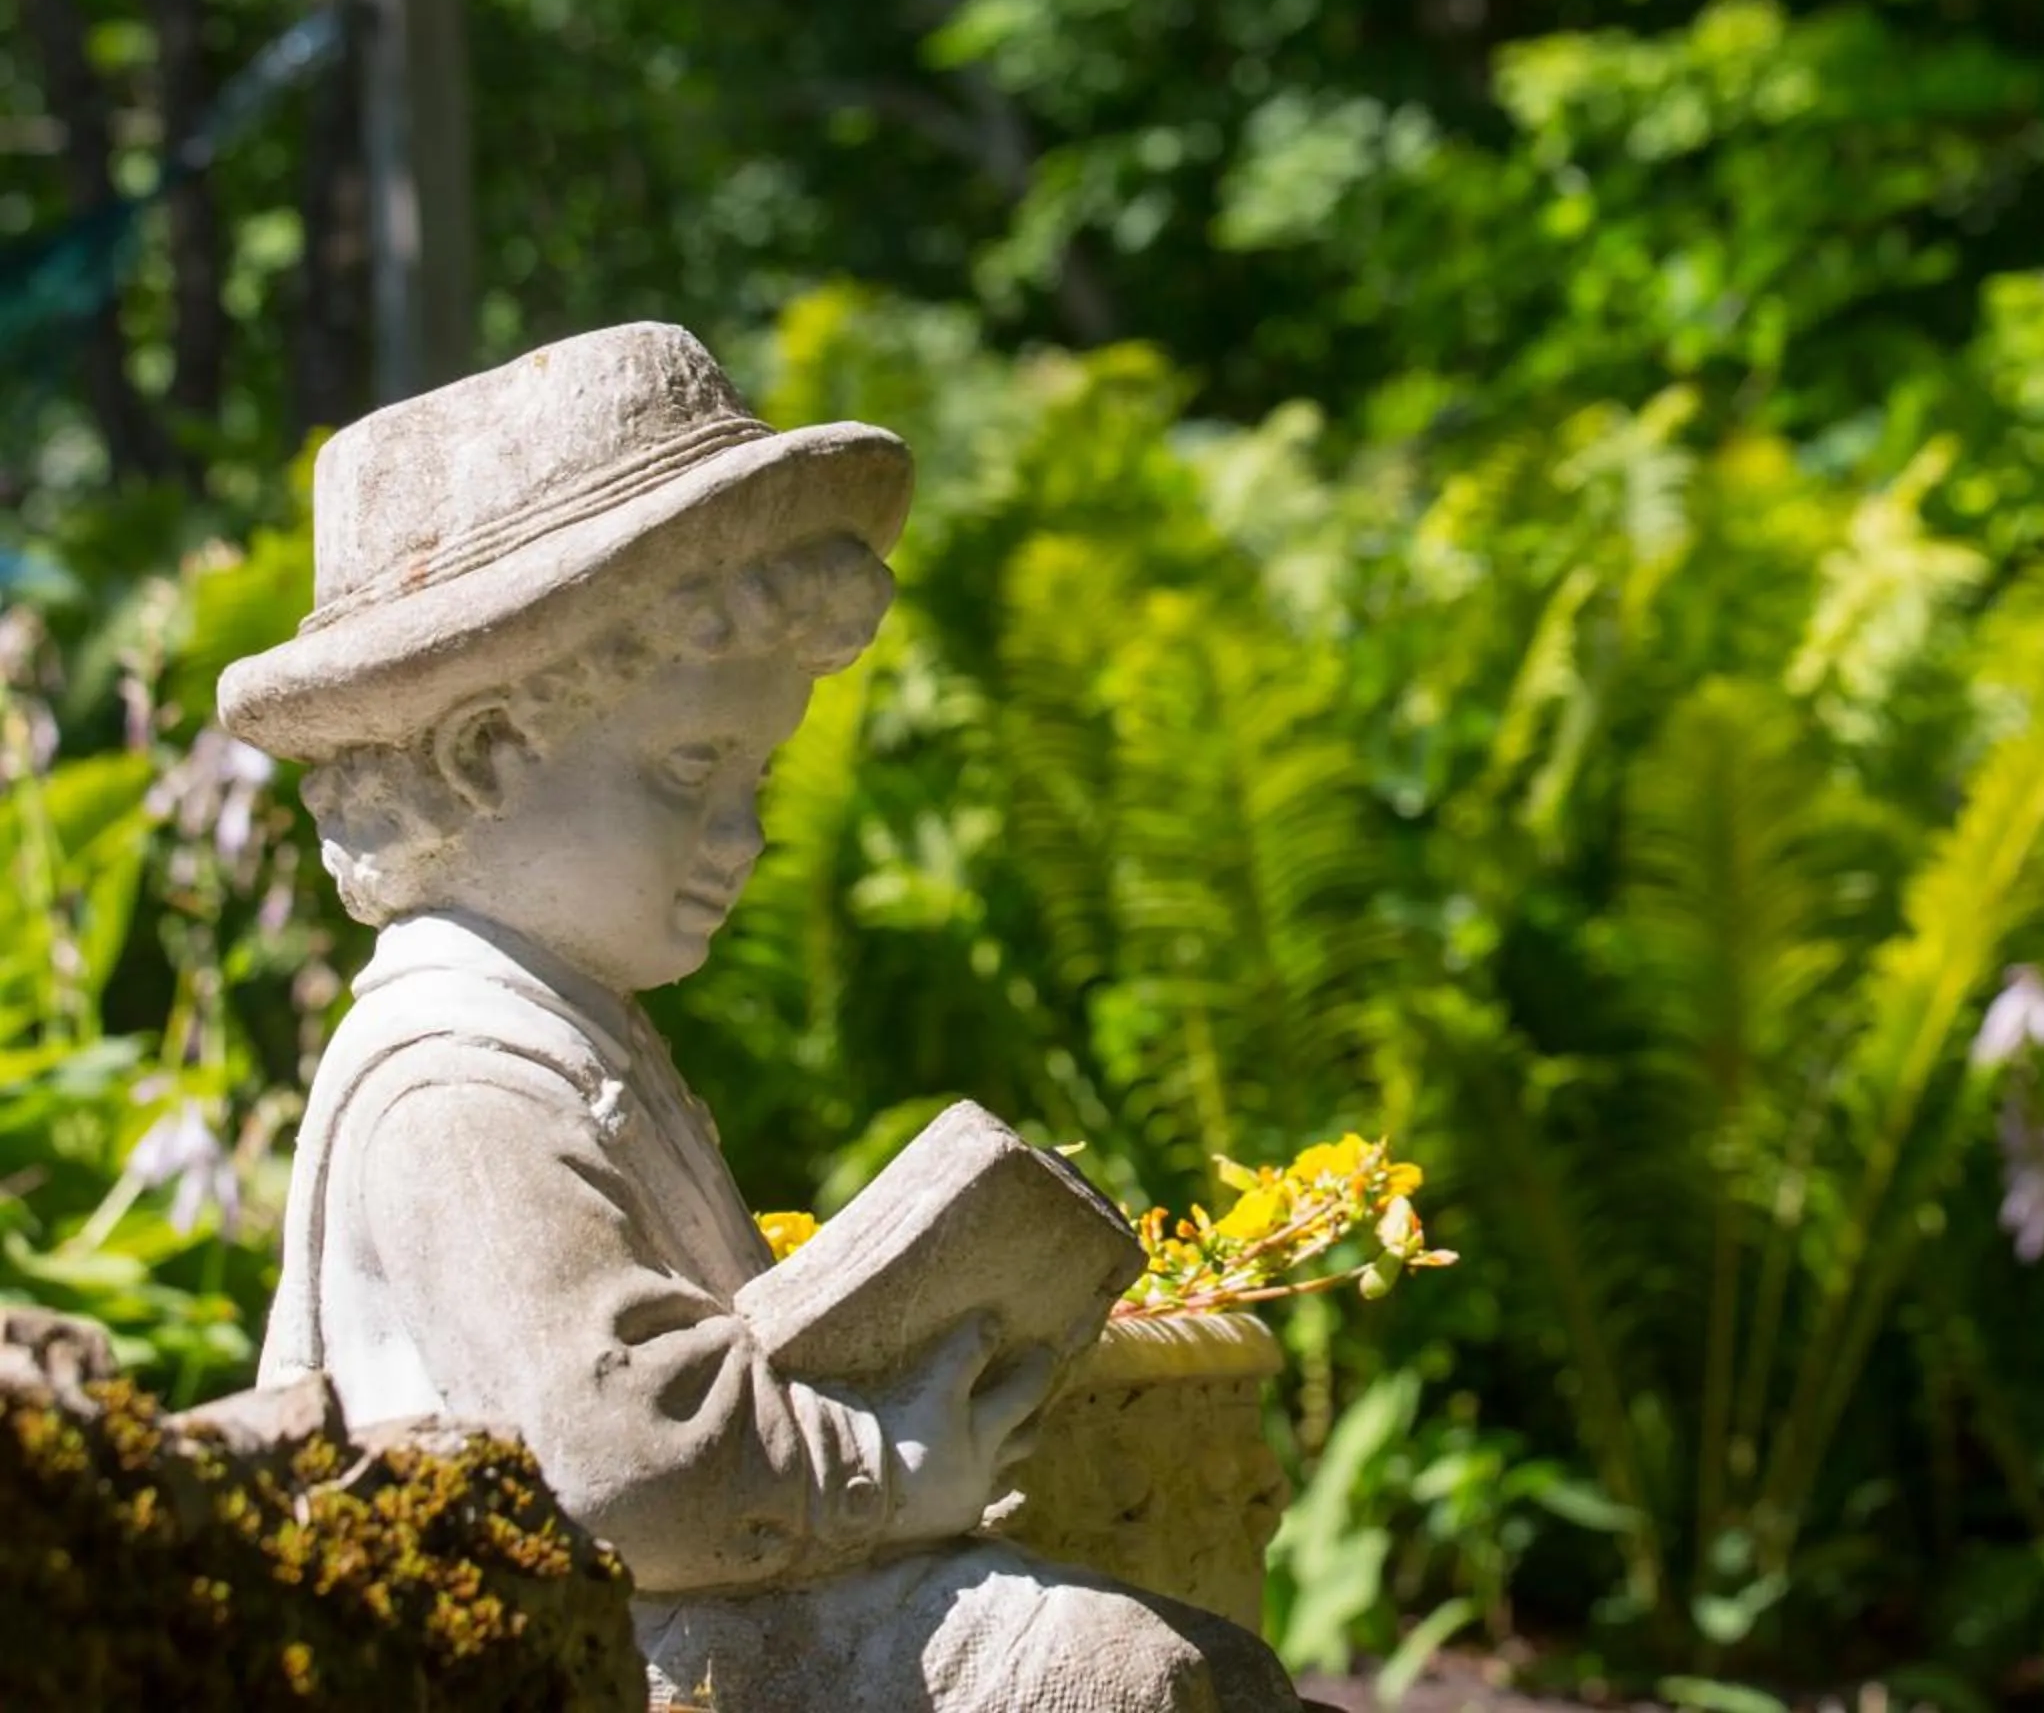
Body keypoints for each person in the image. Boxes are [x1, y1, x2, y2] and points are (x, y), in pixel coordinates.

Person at [222, 323, 1299, 1713]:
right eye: (690, 769)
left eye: (759, 780)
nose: (743, 834)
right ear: (485, 757)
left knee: (1193, 1666)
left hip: (674, 1624)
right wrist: (895, 1459)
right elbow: (618, 1459)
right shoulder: (459, 1079)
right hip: (556, 1659)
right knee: (1109, 1674)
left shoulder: (567, 1028)